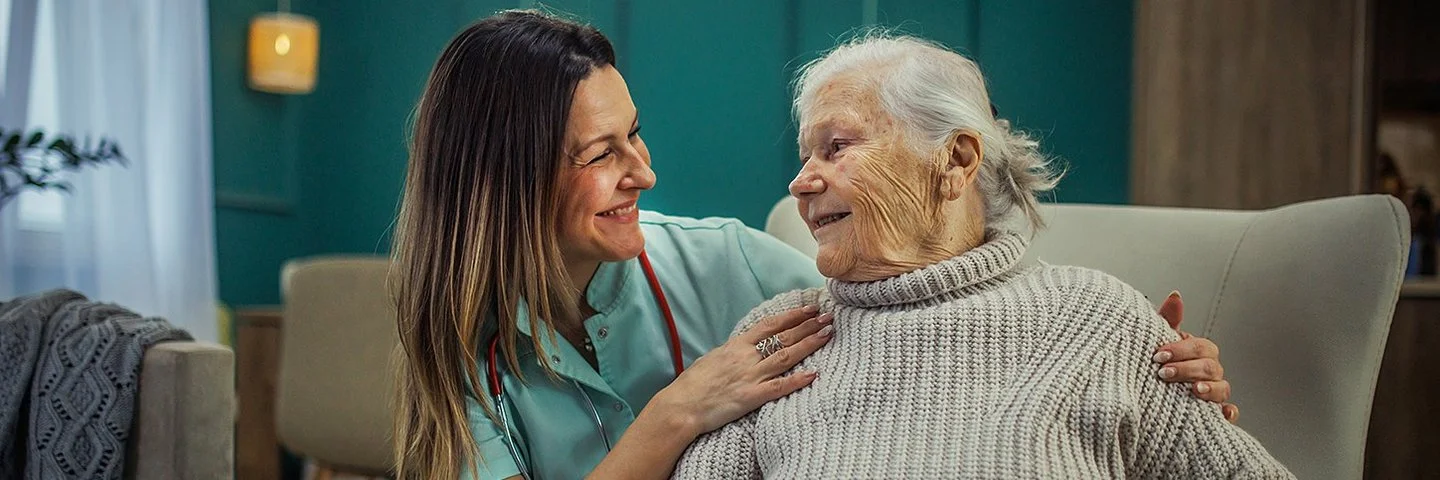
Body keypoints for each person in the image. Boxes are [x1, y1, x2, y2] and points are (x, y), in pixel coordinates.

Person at [389, 11, 1236, 480]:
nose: (644, 172)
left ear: (957, 161)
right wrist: (680, 412)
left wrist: (1140, 356)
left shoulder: (734, 264)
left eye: (635, 136)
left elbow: (906, 304)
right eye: (601, 154)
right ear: (509, 183)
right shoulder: (465, 356)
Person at [670, 34, 1291, 478]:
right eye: (805, 156)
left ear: (957, 161)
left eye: (836, 147)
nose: (801, 183)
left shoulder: (1097, 318)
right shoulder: (779, 336)